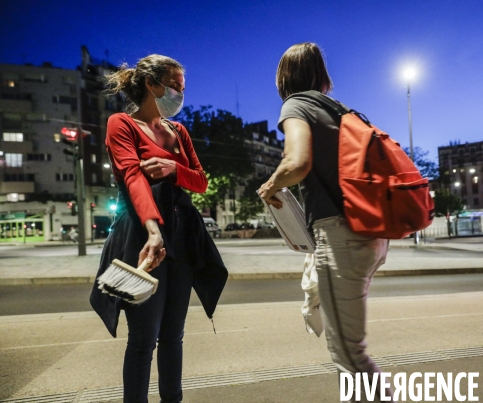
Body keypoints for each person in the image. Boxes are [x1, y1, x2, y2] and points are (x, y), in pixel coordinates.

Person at [89, 54, 228, 403]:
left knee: (173, 336)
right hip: (141, 234)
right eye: (175, 86)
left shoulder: (179, 131)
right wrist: (153, 231)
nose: (180, 93)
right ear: (152, 85)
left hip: (182, 238)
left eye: (183, 87)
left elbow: (200, 182)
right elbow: (132, 177)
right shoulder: (121, 124)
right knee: (143, 339)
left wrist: (171, 167)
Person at [258, 43, 392, 402]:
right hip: (372, 235)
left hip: (341, 235)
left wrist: (271, 184)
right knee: (349, 349)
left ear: (284, 77)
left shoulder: (296, 105)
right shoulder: (344, 111)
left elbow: (298, 161)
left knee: (348, 353)